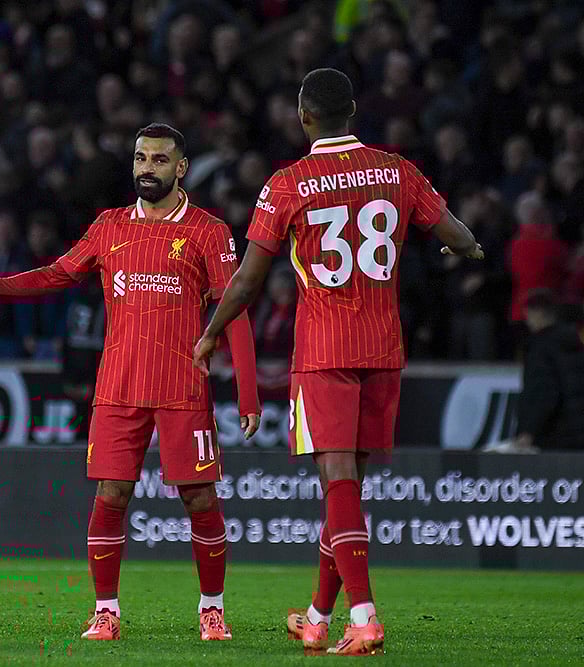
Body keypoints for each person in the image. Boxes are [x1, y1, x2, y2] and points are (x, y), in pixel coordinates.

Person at [193, 68, 483, 656]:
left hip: (325, 349)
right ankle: (321, 615)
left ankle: (366, 616)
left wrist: (212, 332)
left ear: (304, 117)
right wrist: (469, 247)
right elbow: (454, 233)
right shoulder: (397, 170)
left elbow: (248, 280)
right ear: (353, 112)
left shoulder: (290, 182)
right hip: (383, 346)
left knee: (338, 481)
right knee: (348, 490)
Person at [0, 123, 261, 641]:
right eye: (139, 158)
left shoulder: (207, 229)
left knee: (199, 499)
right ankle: (106, 611)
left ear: (181, 169)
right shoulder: (108, 226)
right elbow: (51, 276)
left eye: (158, 160)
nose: (146, 168)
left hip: (182, 388)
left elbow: (235, 307)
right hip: (118, 387)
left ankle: (211, 609)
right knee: (111, 495)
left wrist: (246, 391)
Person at [513, 289, 584, 451]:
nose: (527, 319)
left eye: (529, 313)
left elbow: (544, 392)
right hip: (576, 433)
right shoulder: (573, 342)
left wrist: (529, 431)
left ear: (539, 313)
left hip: (553, 436)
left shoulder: (540, 348)